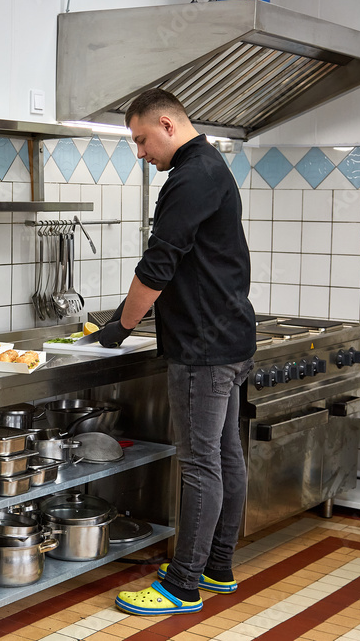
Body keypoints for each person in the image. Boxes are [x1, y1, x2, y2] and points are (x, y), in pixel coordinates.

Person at [100, 89, 256, 616]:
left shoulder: (191, 176)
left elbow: (158, 265)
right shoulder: (209, 167)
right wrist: (123, 318)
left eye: (142, 140)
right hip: (230, 338)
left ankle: (182, 585)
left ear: (167, 124)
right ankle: (216, 567)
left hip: (203, 348)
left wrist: (122, 326)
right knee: (225, 457)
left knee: (200, 465)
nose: (141, 152)